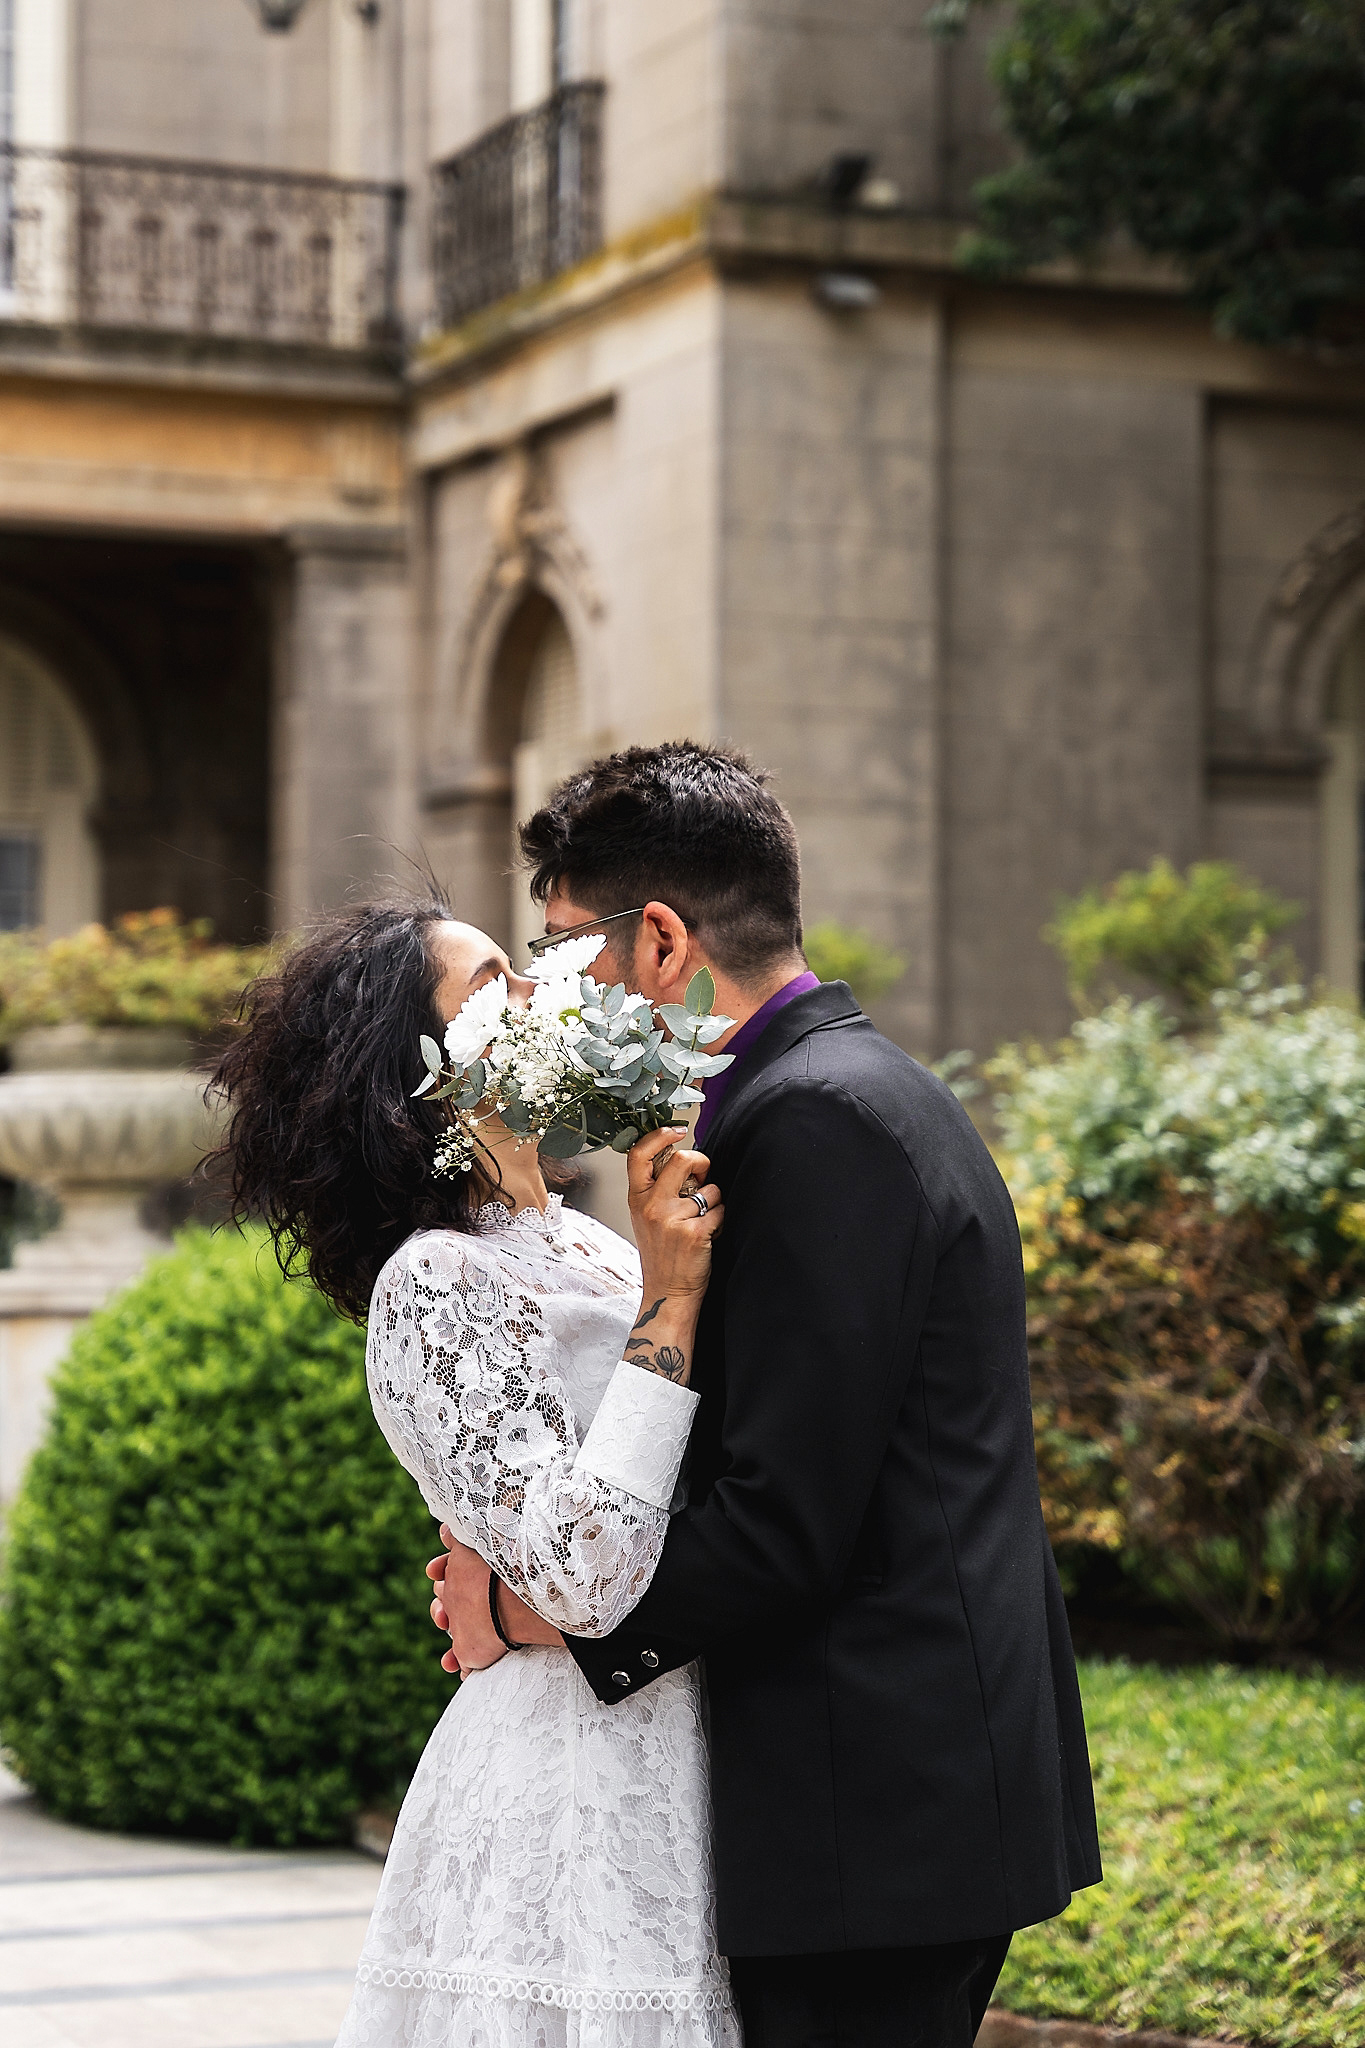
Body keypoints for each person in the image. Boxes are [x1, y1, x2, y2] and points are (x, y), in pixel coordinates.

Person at [432, 741, 1104, 2048]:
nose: (549, 991)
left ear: (665, 944)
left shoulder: (814, 1126)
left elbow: (784, 1526)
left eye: (569, 949)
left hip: (874, 1818)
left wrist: (527, 1613)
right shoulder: (832, 1094)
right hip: (891, 1806)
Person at [211, 900, 742, 2048]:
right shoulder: (434, 1283)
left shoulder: (601, 1243)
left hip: (706, 1729)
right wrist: (671, 1302)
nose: (544, 990)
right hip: (571, 1766)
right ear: (419, 1069)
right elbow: (585, 1581)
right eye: (495, 980)